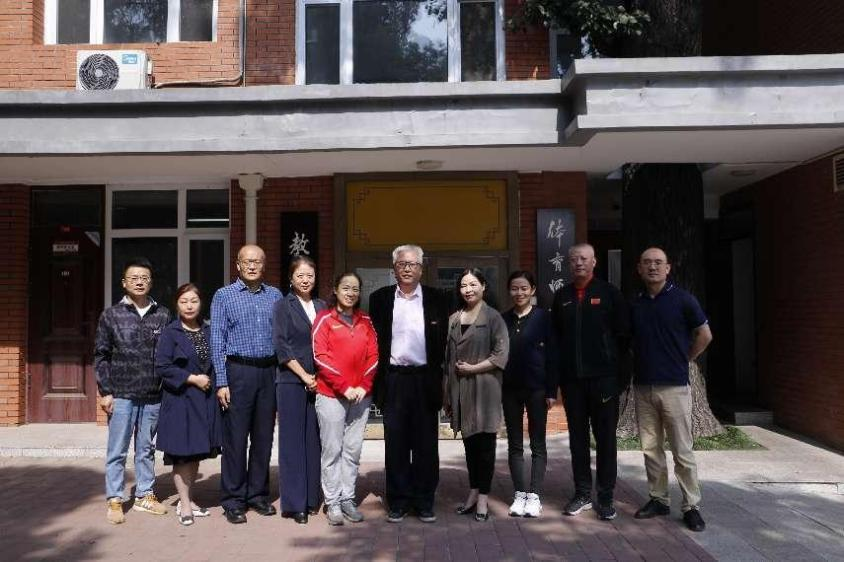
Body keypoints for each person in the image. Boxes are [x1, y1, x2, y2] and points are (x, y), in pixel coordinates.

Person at [631, 247, 713, 532]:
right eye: (647, 263)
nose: (652, 267)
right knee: (650, 448)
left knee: (682, 450)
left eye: (658, 263)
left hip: (675, 387)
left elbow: (705, 334)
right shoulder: (636, 303)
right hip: (643, 387)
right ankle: (658, 499)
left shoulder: (683, 300)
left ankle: (691, 506)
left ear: (668, 268)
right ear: (639, 269)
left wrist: (686, 358)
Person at [369, 244, 448, 524]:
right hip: (394, 379)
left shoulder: (438, 299)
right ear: (394, 268)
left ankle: (424, 501)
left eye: (412, 264)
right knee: (396, 443)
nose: (407, 268)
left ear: (421, 269)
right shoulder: (379, 299)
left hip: (425, 379)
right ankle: (399, 501)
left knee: (426, 444)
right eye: (402, 263)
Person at [551, 243, 631, 521]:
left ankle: (606, 496)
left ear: (594, 262)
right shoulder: (562, 296)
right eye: (574, 259)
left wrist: (619, 380)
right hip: (573, 382)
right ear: (568, 263)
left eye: (584, 258)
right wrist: (558, 379)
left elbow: (624, 338)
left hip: (604, 381)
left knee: (606, 440)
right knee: (578, 439)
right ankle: (583, 492)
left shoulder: (609, 293)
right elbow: (556, 341)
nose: (579, 263)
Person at [94, 257, 171, 524]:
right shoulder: (111, 315)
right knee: (117, 450)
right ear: (124, 283)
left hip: (153, 394)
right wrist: (105, 391)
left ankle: (144, 495)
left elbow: (167, 354)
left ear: (151, 282)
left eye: (144, 278)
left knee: (146, 449)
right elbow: (101, 355)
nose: (139, 282)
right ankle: (115, 499)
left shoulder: (162, 314)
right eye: (134, 278)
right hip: (122, 394)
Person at [211, 245, 283, 524]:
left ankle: (258, 495)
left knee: (263, 438)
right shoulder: (224, 296)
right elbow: (217, 340)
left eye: (257, 262)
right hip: (238, 372)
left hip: (268, 372)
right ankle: (233, 499)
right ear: (238, 265)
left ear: (264, 265)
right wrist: (221, 381)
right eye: (247, 261)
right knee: (236, 439)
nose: (252, 266)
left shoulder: (275, 296)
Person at [312, 272, 379, 526]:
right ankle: (333, 502)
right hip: (331, 396)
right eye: (346, 288)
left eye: (355, 289)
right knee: (332, 450)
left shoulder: (366, 321)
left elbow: (374, 355)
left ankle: (348, 498)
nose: (351, 293)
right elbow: (320, 357)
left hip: (360, 397)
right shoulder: (324, 319)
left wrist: (363, 386)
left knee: (352, 450)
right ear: (336, 290)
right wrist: (344, 387)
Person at [444, 268, 509, 522]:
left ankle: (483, 497)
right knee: (469, 445)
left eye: (473, 284)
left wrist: (473, 368)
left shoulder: (493, 318)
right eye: (463, 285)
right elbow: (447, 360)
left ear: (484, 286)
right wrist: (447, 395)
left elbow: (500, 356)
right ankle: (473, 492)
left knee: (485, 446)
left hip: (485, 389)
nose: (468, 290)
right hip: (460, 390)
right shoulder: (454, 318)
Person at [155, 283, 222, 526]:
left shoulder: (209, 330)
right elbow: (162, 366)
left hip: (204, 401)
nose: (189, 306)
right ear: (177, 304)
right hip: (181, 400)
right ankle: (184, 505)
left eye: (193, 301)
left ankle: (190, 499)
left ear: (201, 303)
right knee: (182, 455)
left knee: (195, 452)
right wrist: (192, 378)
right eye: (184, 301)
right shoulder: (170, 332)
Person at [272, 256, 326, 524]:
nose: (305, 280)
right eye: (300, 275)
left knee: (314, 440)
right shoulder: (283, 306)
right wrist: (304, 375)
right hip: (292, 381)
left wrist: (322, 376)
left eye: (310, 275)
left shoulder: (322, 306)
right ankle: (296, 504)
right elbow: (281, 346)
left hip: (320, 382)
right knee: (292, 442)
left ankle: (312, 497)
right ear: (291, 278)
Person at [501, 271, 558, 518]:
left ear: (532, 290)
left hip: (537, 388)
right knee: (514, 444)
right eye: (515, 288)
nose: (519, 293)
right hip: (509, 389)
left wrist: (552, 390)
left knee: (537, 443)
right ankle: (519, 494)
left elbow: (553, 355)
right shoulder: (503, 319)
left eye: (524, 288)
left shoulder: (544, 317)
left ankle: (534, 495)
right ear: (509, 290)